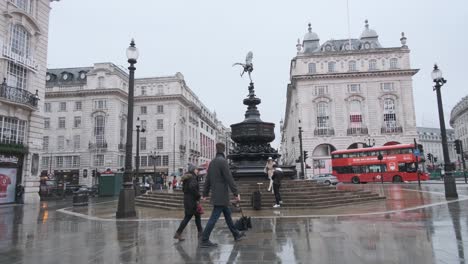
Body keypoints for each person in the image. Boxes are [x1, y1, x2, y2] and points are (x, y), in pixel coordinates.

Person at [199, 142, 245, 248]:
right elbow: (229, 178)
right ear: (223, 150)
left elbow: (208, 180)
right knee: (213, 218)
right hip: (222, 196)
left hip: (217, 195)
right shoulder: (223, 162)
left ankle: (236, 234)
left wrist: (205, 193)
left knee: (228, 215)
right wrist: (236, 193)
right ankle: (204, 239)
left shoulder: (212, 163)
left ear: (216, 150)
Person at [174, 164, 204, 241]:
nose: (198, 171)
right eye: (197, 169)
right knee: (189, 217)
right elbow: (192, 187)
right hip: (192, 201)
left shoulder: (187, 178)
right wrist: (198, 195)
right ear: (193, 170)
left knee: (196, 216)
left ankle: (200, 233)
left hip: (188, 200)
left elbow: (184, 189)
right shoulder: (193, 178)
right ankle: (199, 234)